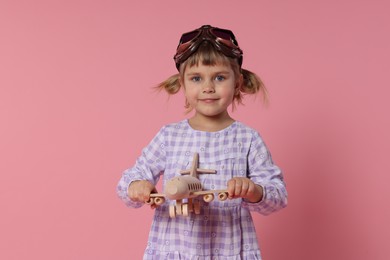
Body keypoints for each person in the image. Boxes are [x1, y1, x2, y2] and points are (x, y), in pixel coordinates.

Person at [117, 25, 287, 259]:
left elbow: (277, 195)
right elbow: (132, 177)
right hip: (175, 249)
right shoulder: (169, 136)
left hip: (229, 250)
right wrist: (137, 185)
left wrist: (253, 190)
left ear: (237, 81)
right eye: (196, 78)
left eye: (219, 77)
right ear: (183, 84)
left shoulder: (248, 139)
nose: (208, 87)